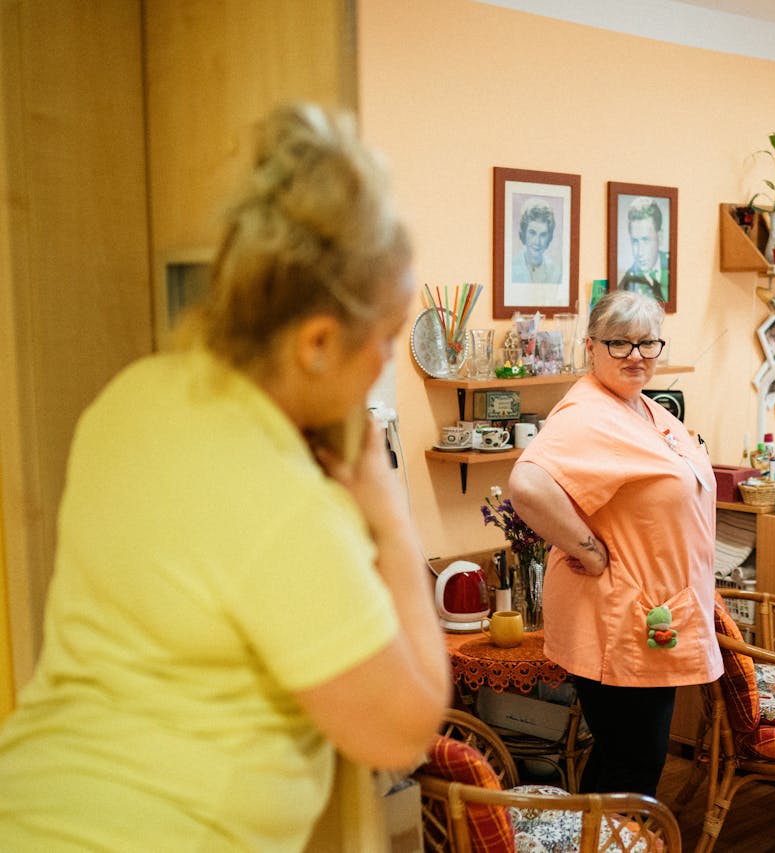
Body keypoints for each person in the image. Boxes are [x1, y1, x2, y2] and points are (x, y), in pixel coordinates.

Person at [0, 103, 451, 850]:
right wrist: (393, 520)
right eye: (387, 337)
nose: (386, 361)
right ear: (315, 342)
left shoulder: (136, 394)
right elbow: (402, 729)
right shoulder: (279, 499)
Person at [507, 291, 720, 797]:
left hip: (655, 612)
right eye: (619, 343)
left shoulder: (643, 407)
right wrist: (586, 549)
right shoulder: (587, 414)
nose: (636, 356)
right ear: (591, 347)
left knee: (620, 757)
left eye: (648, 343)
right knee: (635, 766)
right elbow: (528, 486)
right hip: (622, 617)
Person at [617, 197, 670, 303]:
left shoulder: (676, 268)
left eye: (646, 240)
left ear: (660, 237)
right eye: (635, 241)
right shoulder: (626, 284)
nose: (640, 252)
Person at [510, 199, 561, 283]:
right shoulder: (510, 268)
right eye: (532, 233)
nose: (537, 242)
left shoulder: (556, 273)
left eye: (543, 235)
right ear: (524, 234)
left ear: (549, 238)